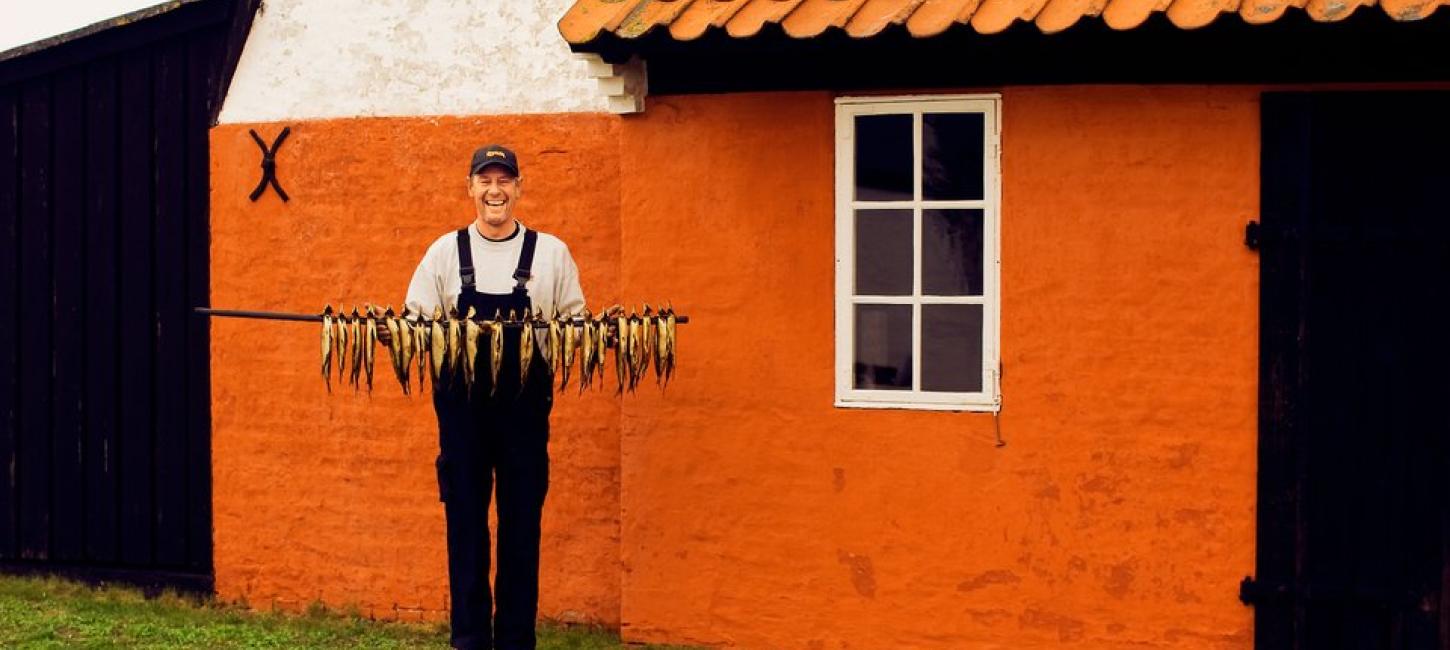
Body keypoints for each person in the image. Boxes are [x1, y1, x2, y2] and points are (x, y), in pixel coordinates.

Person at [399, 144, 584, 650]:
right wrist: (391, 331)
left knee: (521, 525)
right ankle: (470, 639)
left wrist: (601, 334)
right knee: (465, 525)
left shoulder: (552, 253)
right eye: (486, 181)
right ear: (471, 187)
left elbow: (574, 324)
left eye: (504, 181)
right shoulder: (443, 252)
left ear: (519, 189)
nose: (495, 191)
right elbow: (415, 321)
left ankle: (517, 640)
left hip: (525, 413)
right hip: (462, 413)